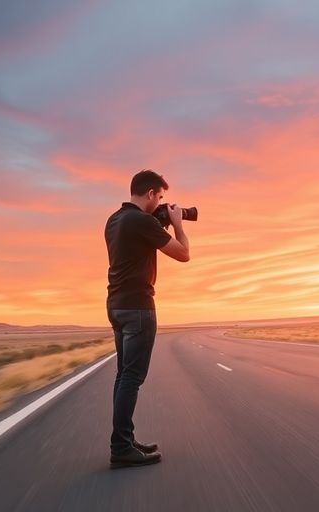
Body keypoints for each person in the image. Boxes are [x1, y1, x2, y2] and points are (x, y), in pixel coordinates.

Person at [104, 169, 190, 469]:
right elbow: (183, 254)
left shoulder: (114, 220)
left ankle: (125, 440)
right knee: (132, 377)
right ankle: (121, 447)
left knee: (123, 375)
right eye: (160, 197)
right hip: (139, 307)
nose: (162, 203)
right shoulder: (141, 221)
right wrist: (177, 223)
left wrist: (158, 219)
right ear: (151, 193)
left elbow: (136, 240)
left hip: (116, 305)